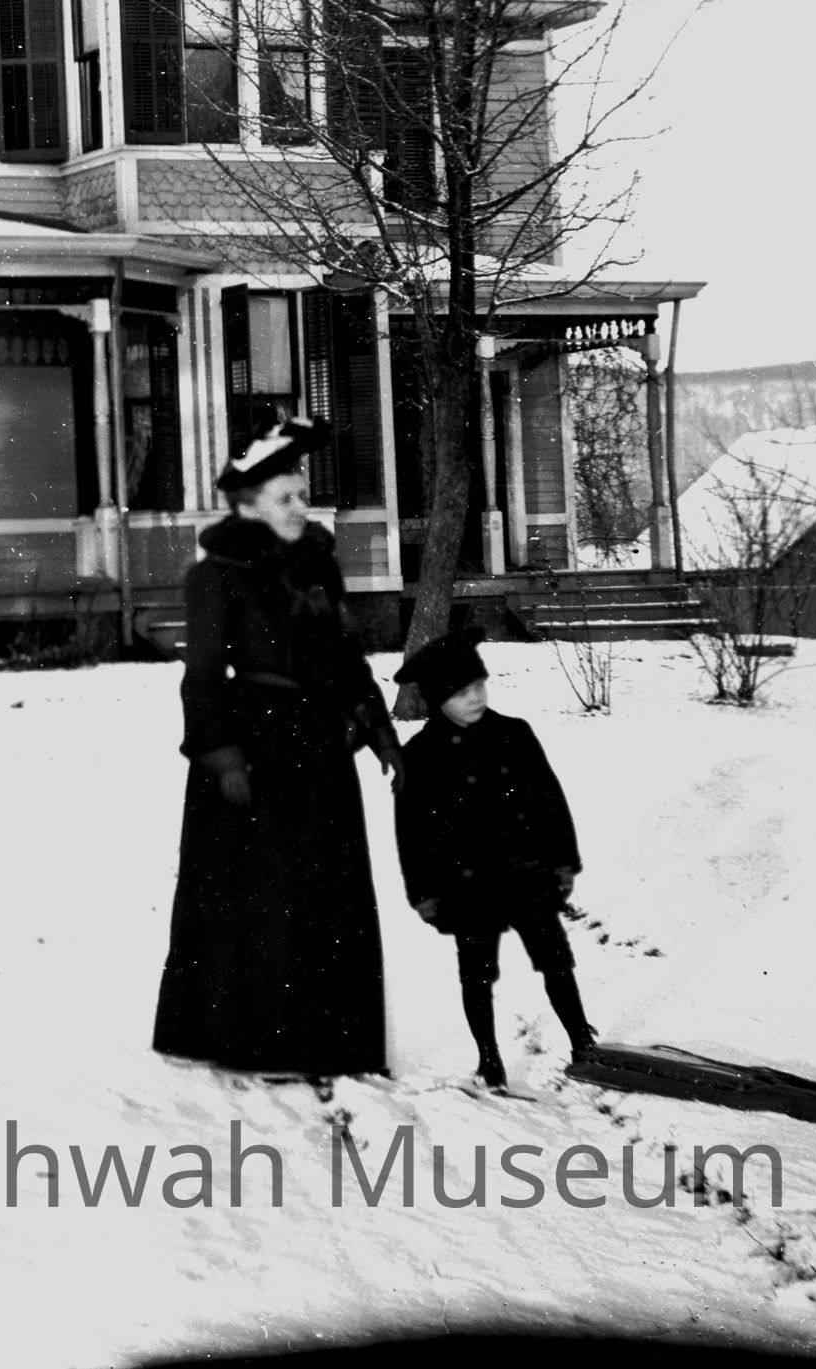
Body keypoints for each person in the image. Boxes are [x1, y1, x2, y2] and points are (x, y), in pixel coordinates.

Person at [151, 416, 405, 1079]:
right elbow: (203, 676)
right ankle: (260, 1045)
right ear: (248, 506)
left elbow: (345, 655)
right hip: (256, 750)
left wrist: (380, 730)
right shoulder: (217, 574)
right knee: (265, 898)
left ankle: (331, 1043)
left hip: (321, 749)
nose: (300, 507)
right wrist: (223, 758)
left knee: (329, 894)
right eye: (285, 497)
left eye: (302, 495)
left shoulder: (318, 565)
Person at [392, 627, 600, 1088]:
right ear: (436, 699)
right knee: (477, 973)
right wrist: (423, 891)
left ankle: (582, 1041)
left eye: (479, 685)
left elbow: (550, 799)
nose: (475, 697)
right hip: (465, 887)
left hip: (527, 875)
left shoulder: (514, 734)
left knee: (555, 960)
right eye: (461, 692)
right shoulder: (419, 756)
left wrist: (562, 860)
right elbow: (411, 833)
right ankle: (489, 1059)